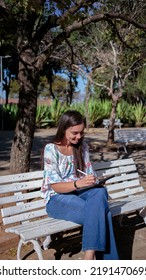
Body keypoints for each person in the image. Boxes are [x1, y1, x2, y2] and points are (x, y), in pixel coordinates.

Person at [41, 110, 119, 260]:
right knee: (104, 214)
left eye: (81, 133)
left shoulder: (82, 147)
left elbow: (89, 174)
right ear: (64, 129)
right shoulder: (51, 149)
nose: (79, 137)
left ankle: (89, 256)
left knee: (100, 191)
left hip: (80, 193)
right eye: (74, 133)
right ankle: (95, 259)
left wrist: (92, 181)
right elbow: (55, 186)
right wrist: (78, 183)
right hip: (56, 199)